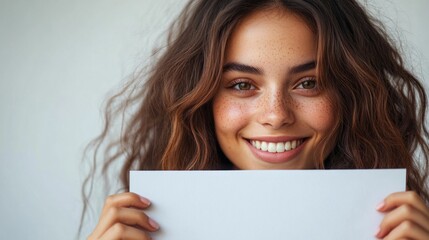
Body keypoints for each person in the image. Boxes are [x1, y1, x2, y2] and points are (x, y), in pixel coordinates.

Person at [82, 0, 429, 239]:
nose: (276, 115)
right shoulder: (144, 227)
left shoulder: (404, 226)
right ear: (201, 100)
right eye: (242, 85)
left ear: (352, 97)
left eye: (309, 83)